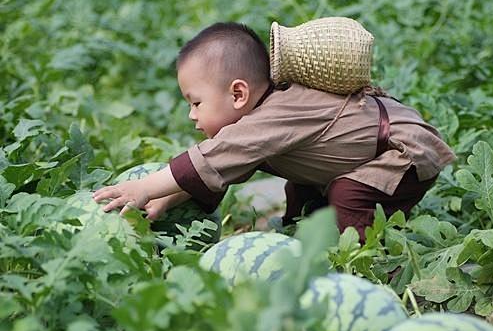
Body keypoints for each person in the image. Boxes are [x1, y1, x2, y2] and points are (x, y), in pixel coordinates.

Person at [92, 22, 456, 242]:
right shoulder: (264, 117)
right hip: (369, 147)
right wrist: (168, 197)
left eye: (196, 102)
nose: (191, 115)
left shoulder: (274, 116)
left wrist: (141, 187)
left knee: (350, 196)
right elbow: (230, 165)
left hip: (402, 150)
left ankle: (367, 265)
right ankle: (304, 232)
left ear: (238, 93)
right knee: (301, 186)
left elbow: (213, 158)